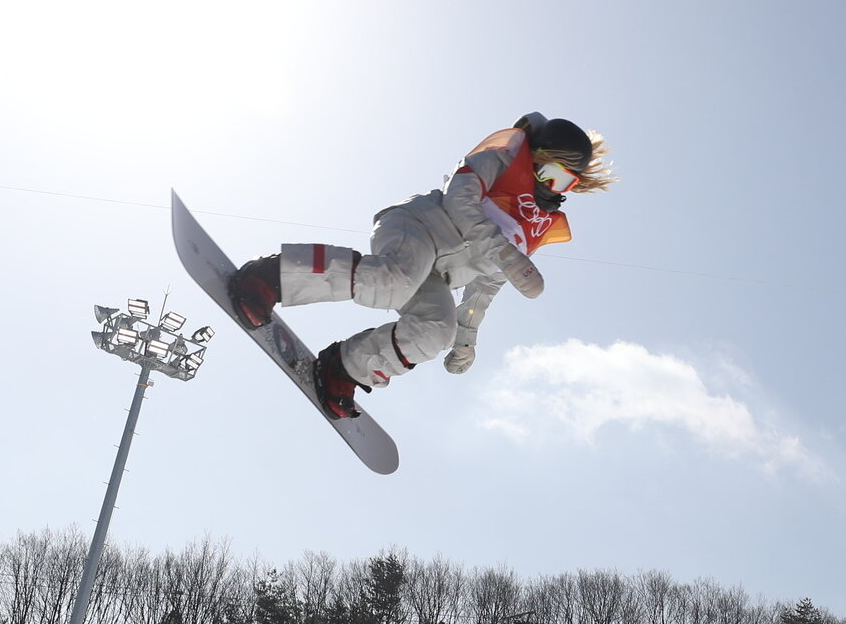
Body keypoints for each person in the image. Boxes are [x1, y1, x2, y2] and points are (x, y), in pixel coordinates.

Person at [227, 113, 615, 418]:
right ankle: (270, 277)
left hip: (438, 276)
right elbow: (459, 199)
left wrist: (466, 340)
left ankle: (344, 368)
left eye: (564, 182)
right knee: (394, 281)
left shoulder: (532, 227)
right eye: (548, 173)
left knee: (436, 330)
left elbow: (485, 287)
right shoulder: (500, 160)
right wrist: (503, 252)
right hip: (418, 228)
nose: (550, 187)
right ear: (534, 157)